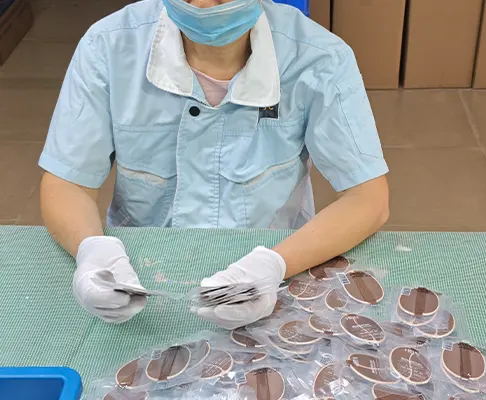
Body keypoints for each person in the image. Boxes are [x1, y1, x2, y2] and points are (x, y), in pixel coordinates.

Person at [39, 0, 389, 329]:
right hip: (138, 279)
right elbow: (67, 182)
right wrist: (92, 250)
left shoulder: (320, 58)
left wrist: (274, 265)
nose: (205, 4)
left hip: (276, 266)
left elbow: (368, 199)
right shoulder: (107, 47)